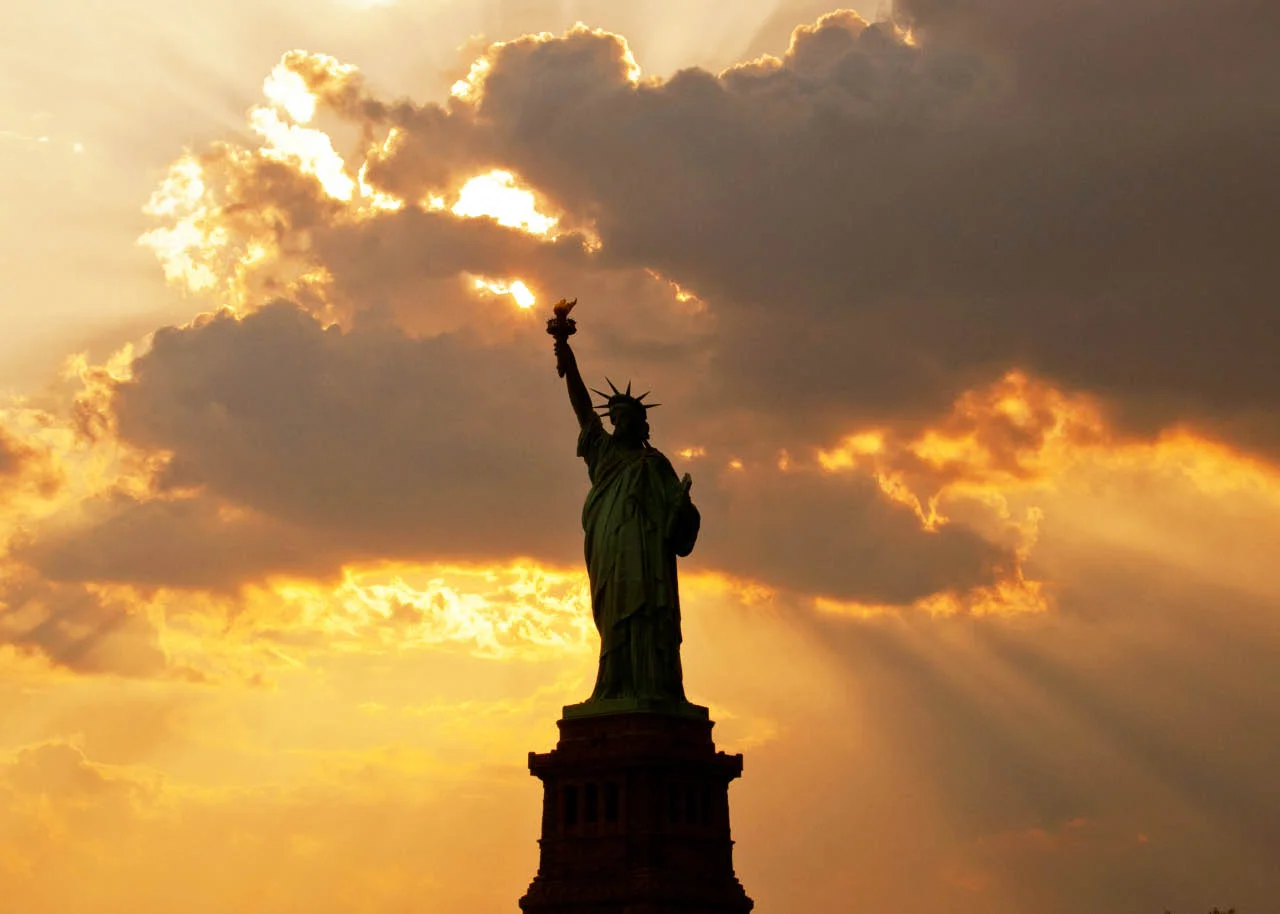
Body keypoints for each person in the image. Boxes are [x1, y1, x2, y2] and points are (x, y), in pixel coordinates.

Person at [553, 336, 699, 704]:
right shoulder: (602, 452)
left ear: (642, 425)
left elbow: (679, 517)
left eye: (630, 420)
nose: (621, 425)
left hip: (649, 558)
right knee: (616, 614)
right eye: (617, 419)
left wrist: (682, 507)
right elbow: (582, 407)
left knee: (649, 614)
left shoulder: (656, 464)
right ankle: (613, 685)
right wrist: (567, 355)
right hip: (611, 549)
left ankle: (653, 686)